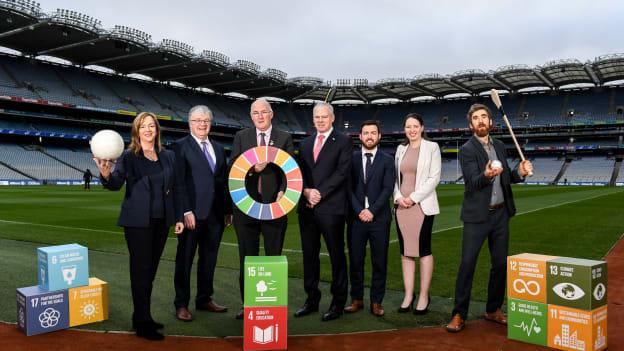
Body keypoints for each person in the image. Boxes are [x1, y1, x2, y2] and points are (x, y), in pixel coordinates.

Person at [94, 112, 184, 341]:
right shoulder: (128, 156)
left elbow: (176, 189)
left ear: (157, 130)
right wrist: (105, 174)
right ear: (137, 130)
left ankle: (142, 316)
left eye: (151, 125)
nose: (148, 130)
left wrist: (179, 218)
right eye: (143, 126)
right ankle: (142, 323)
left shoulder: (169, 156)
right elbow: (115, 184)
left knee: (150, 272)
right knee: (141, 272)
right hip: (137, 223)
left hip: (161, 222)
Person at [446, 103, 533, 332]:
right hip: (477, 217)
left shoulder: (501, 146)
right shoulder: (466, 150)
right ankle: (458, 313)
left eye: (484, 116)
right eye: (476, 118)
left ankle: (493, 309)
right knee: (467, 265)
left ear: (491, 122)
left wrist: (519, 173)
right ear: (471, 124)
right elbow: (473, 183)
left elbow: (507, 179)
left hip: (501, 214)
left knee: (500, 264)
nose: (481, 121)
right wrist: (485, 175)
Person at [230, 98, 294, 319]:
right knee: (247, 259)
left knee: (273, 258)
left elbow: (290, 172)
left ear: (271, 114)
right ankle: (248, 305)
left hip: (274, 209)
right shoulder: (241, 137)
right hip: (245, 209)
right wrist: (251, 168)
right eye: (255, 113)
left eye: (263, 112)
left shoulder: (284, 137)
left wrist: (283, 191)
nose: (259, 116)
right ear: (251, 116)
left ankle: (272, 307)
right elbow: (233, 168)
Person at [172, 105, 232, 322]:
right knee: (185, 260)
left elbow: (222, 182)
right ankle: (181, 303)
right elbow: (178, 182)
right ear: (190, 123)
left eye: (206, 120)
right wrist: (185, 210)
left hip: (216, 215)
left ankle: (204, 298)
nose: (202, 124)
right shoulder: (180, 146)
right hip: (192, 215)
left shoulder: (218, 147)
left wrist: (227, 210)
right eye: (198, 120)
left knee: (209, 259)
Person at [295, 102, 352, 322]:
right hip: (308, 208)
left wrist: (320, 192)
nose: (320, 120)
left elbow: (342, 172)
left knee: (337, 257)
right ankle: (311, 299)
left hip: (332, 208)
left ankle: (338, 302)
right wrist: (307, 192)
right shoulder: (306, 142)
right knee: (310, 257)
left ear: (332, 118)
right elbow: (298, 173)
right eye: (316, 117)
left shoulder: (344, 141)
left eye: (324, 117)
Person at [344, 120, 395, 317]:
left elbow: (387, 189)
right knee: (356, 260)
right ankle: (356, 299)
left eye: (373, 132)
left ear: (379, 136)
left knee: (379, 262)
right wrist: (359, 211)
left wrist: (372, 210)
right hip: (356, 219)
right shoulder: (352, 159)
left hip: (379, 218)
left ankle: (376, 301)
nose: (369, 136)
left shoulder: (387, 160)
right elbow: (347, 189)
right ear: (360, 136)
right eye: (366, 133)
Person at [393, 113, 441, 315]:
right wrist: (398, 197)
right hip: (401, 208)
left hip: (421, 206)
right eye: (408, 127)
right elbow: (395, 179)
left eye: (415, 126)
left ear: (422, 127)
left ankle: (423, 295)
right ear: (404, 129)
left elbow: (434, 177)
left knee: (423, 250)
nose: (411, 130)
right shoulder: (400, 149)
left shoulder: (432, 147)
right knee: (406, 252)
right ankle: (409, 295)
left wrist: (413, 197)